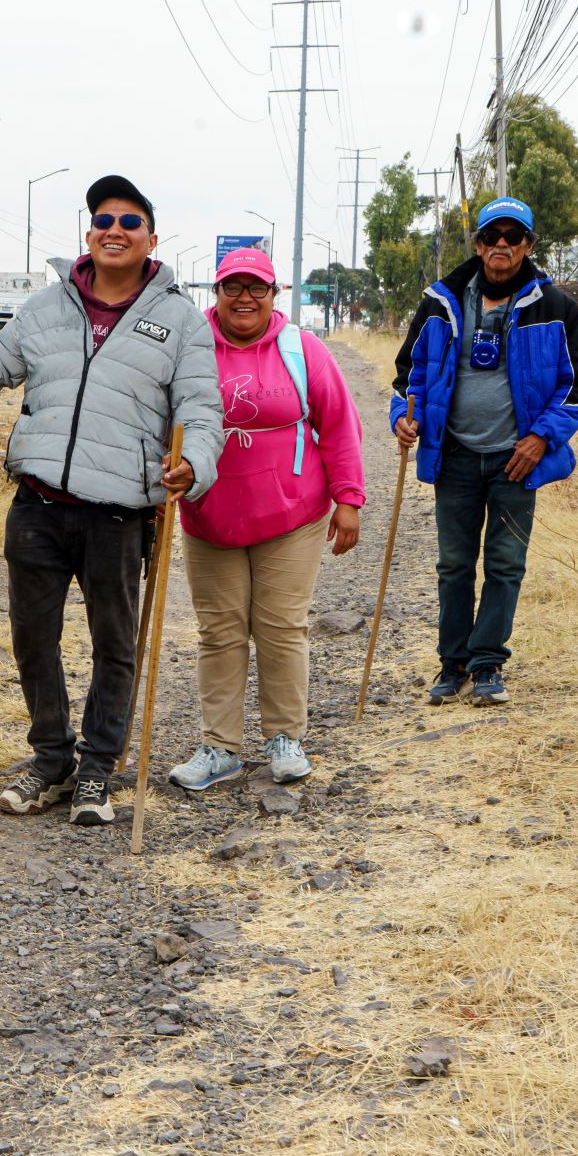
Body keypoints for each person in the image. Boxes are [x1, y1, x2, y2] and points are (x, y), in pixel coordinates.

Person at [0, 174, 223, 828]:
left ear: (151, 237)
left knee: (115, 644)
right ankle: (52, 759)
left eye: (129, 221)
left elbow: (203, 407)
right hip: (36, 502)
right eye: (102, 219)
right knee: (33, 639)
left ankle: (97, 771)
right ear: (89, 232)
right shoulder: (48, 306)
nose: (113, 229)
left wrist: (194, 462)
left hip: (119, 512)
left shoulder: (180, 321)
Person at [165, 247, 366, 792]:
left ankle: (285, 738)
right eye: (233, 287)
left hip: (292, 514)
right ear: (216, 293)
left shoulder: (303, 350)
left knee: (280, 626)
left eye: (257, 288)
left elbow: (340, 425)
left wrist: (349, 499)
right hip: (209, 514)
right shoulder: (189, 346)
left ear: (275, 295)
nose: (244, 298)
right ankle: (219, 747)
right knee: (220, 631)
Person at [391, 196, 578, 706]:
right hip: (454, 455)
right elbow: (406, 376)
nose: (501, 245)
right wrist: (404, 417)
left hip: (515, 458)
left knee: (505, 565)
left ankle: (487, 665)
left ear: (528, 245)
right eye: (491, 236)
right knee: (454, 565)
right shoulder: (441, 302)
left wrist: (541, 437)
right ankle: (452, 663)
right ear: (478, 244)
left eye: (513, 236)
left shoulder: (556, 308)